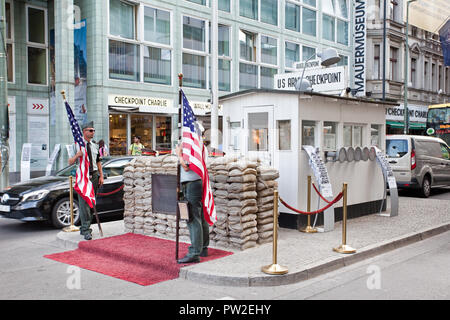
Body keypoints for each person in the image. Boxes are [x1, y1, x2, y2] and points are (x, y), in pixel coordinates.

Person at [68, 121, 104, 240]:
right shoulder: (76, 146)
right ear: (84, 132)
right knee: (84, 205)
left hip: (94, 176)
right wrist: (77, 155)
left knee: (92, 203)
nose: (93, 132)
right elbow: (70, 162)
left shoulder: (94, 145)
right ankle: (85, 230)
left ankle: (87, 226)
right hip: (83, 177)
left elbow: (98, 161)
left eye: (93, 130)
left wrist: (101, 176)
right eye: (90, 130)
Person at [175, 143, 209, 264]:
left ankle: (195, 252)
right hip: (196, 182)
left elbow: (186, 166)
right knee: (200, 217)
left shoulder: (192, 145)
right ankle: (203, 248)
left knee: (193, 218)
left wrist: (179, 154)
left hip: (191, 183)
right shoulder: (200, 146)